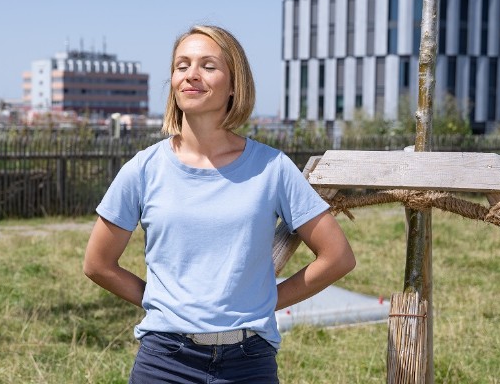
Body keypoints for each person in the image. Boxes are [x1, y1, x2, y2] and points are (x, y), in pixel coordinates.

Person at [83, 25, 355, 383]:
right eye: (182, 65)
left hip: (248, 361)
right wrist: (164, 305)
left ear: (234, 84)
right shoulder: (143, 169)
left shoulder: (272, 167)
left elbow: (338, 257)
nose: (191, 75)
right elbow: (98, 264)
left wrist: (265, 301)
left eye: (208, 66)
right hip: (165, 362)